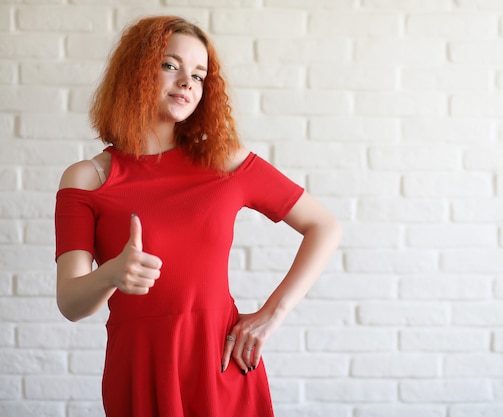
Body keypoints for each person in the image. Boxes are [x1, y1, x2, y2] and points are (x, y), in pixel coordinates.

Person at [54, 15, 342, 417]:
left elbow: (324, 226)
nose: (188, 82)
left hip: (220, 366)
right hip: (139, 371)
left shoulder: (225, 162)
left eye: (199, 74)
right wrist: (111, 274)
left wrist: (269, 316)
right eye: (170, 65)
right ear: (135, 71)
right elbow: (69, 302)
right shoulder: (88, 178)